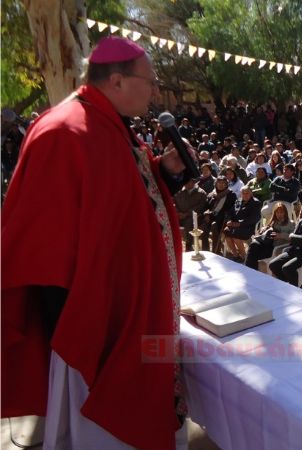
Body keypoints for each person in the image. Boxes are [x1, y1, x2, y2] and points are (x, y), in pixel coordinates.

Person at [2, 36, 192, 448]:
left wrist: (166, 171)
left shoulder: (112, 125)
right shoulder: (64, 132)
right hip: (99, 334)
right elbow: (42, 245)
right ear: (118, 80)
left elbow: (122, 203)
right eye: (151, 80)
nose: (156, 90)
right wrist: (80, 340)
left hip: (133, 315)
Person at [244, 202, 295, 270]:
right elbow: (266, 230)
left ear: (285, 213)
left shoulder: (291, 223)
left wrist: (280, 235)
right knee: (254, 244)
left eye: (281, 212)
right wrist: (263, 230)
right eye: (277, 213)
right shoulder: (273, 221)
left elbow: (292, 237)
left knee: (254, 254)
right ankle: (249, 269)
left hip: (276, 247)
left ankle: (251, 270)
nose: (279, 214)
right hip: (267, 242)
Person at [222, 186, 263, 261]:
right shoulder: (238, 200)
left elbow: (254, 218)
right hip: (235, 225)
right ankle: (235, 255)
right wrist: (229, 220)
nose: (245, 195)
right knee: (226, 232)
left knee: (236, 235)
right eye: (243, 193)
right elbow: (231, 212)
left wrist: (239, 224)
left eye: (247, 193)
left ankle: (243, 256)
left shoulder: (256, 203)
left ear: (251, 194)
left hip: (248, 226)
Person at [201, 176, 237, 253]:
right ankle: (205, 250)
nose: (221, 185)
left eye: (223, 183)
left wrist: (211, 214)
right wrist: (206, 214)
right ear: (216, 184)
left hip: (223, 219)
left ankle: (216, 251)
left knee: (214, 226)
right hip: (211, 217)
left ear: (226, 184)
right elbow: (206, 206)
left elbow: (229, 210)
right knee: (203, 226)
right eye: (219, 183)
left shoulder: (231, 195)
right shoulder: (211, 194)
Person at [174, 177, 207, 251]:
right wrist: (177, 212)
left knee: (189, 223)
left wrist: (186, 214)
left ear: (193, 182)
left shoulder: (201, 193)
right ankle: (174, 244)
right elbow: (174, 203)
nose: (185, 184)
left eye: (188, 182)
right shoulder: (179, 191)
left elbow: (200, 206)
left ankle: (189, 245)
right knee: (171, 222)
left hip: (193, 216)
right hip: (178, 215)